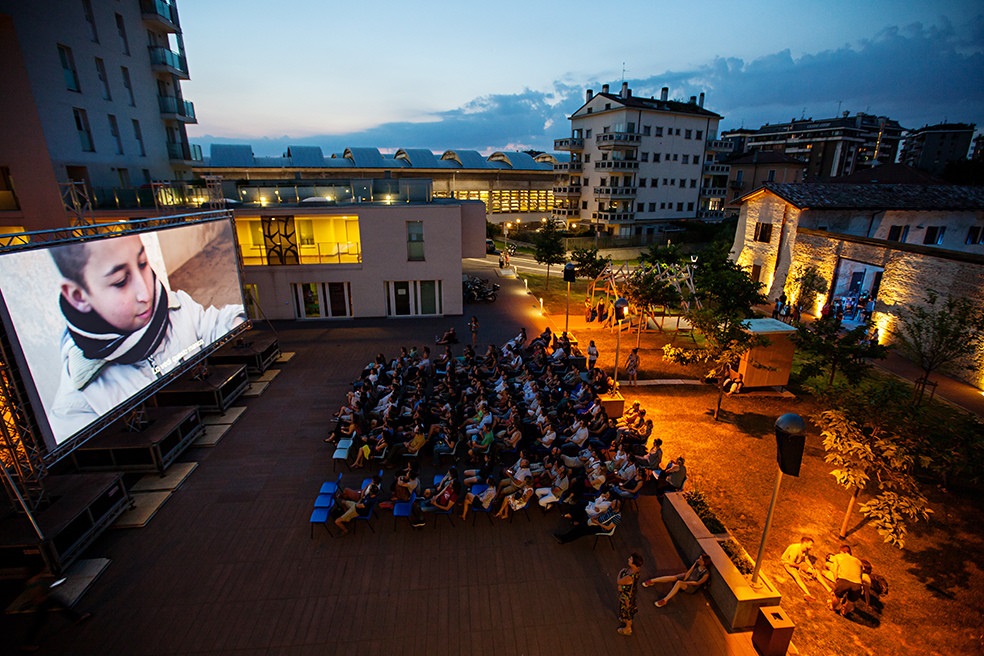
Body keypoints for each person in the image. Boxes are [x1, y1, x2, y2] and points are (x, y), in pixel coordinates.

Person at [48, 235, 246, 439]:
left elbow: (214, 325)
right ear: (78, 296)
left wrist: (239, 320)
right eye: (120, 281)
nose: (146, 293)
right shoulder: (77, 403)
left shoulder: (177, 307)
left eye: (142, 264)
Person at [17, 571, 91, 651]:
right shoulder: (36, 581)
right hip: (44, 602)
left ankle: (76, 618)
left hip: (46, 600)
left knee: (59, 606)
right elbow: (39, 597)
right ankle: (26, 644)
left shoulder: (32, 581)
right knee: (38, 622)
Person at [644, 553, 711, 607]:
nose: (698, 559)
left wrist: (686, 582)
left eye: (700, 559)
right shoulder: (697, 564)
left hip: (691, 586)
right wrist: (694, 565)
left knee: (678, 583)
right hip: (687, 577)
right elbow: (689, 572)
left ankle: (665, 600)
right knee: (673, 577)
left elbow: (697, 583)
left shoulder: (706, 574)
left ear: (704, 563)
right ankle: (652, 581)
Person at [827, 545, 864, 616]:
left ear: (844, 551)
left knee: (837, 596)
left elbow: (835, 569)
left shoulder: (839, 556)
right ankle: (844, 612)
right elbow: (860, 575)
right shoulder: (858, 561)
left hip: (844, 580)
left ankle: (832, 607)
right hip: (857, 584)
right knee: (850, 601)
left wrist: (836, 579)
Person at [616, 553, 644, 636]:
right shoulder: (635, 571)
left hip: (627, 597)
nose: (629, 559)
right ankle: (625, 620)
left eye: (631, 559)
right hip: (630, 593)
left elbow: (619, 581)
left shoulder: (629, 576)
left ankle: (628, 628)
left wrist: (620, 572)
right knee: (626, 610)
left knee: (627, 611)